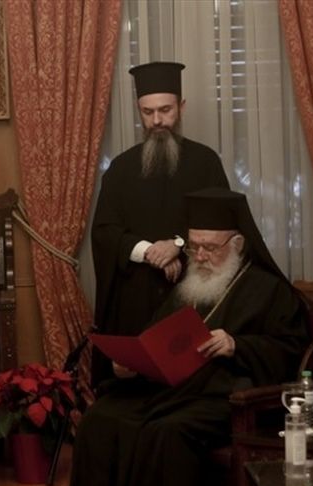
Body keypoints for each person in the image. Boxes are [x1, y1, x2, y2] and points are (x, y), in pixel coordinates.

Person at [42, 189, 310, 486]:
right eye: (194, 246)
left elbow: (289, 350)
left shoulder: (269, 290)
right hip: (173, 389)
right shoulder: (190, 285)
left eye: (209, 248)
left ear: (237, 243)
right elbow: (157, 340)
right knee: (101, 418)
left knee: (168, 431)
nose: (198, 256)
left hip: (228, 396)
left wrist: (237, 345)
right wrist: (130, 365)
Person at [91, 62, 230, 383]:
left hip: (192, 296)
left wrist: (178, 245)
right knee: (135, 388)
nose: (157, 121)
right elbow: (104, 232)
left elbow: (225, 224)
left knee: (189, 383)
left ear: (181, 107)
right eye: (148, 112)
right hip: (136, 299)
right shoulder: (121, 169)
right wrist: (148, 251)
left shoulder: (206, 163)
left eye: (165, 110)